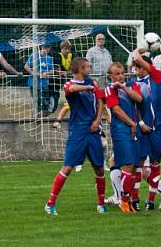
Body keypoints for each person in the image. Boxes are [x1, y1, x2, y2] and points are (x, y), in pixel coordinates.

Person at [44, 57, 107, 215]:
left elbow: (100, 102)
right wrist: (87, 88)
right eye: (87, 66)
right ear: (79, 69)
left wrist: (98, 120)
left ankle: (101, 203)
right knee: (68, 167)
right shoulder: (69, 84)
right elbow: (71, 90)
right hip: (78, 131)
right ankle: (50, 203)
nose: (90, 69)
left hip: (93, 130)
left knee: (99, 168)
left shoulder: (93, 83)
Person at [131, 49, 161, 210]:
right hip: (141, 128)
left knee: (155, 163)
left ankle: (151, 201)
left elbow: (137, 57)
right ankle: (134, 199)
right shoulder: (133, 84)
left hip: (157, 128)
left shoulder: (156, 77)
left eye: (142, 66)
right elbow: (134, 108)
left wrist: (140, 50)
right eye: (137, 67)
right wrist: (140, 122)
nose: (139, 70)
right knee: (139, 163)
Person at [104, 62, 144, 212]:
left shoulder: (131, 85)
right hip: (120, 129)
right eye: (117, 74)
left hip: (134, 129)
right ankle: (124, 202)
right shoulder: (109, 89)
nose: (120, 76)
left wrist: (123, 87)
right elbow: (116, 110)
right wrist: (132, 124)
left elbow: (139, 99)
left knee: (134, 167)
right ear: (110, 76)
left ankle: (131, 201)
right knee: (127, 164)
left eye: (122, 73)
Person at [25, 45, 56, 117]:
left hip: (44, 83)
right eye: (45, 47)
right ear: (41, 47)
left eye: (48, 47)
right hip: (33, 83)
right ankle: (36, 116)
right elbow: (26, 66)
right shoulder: (34, 55)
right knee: (37, 101)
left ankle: (41, 116)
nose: (46, 49)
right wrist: (33, 74)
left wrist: (46, 73)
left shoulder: (49, 59)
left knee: (45, 102)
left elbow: (52, 70)